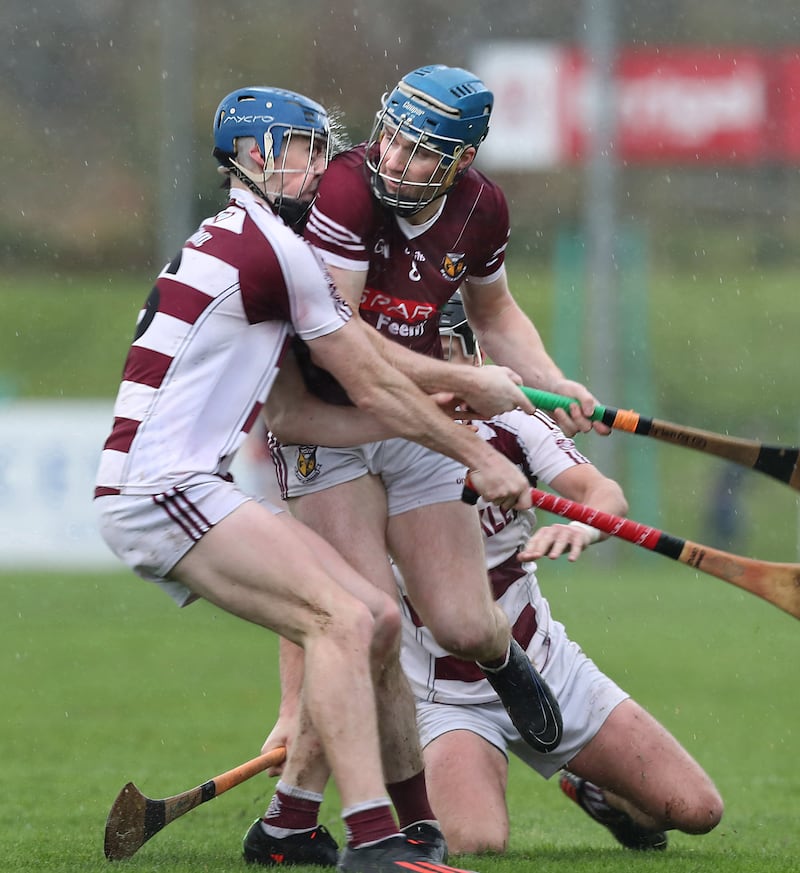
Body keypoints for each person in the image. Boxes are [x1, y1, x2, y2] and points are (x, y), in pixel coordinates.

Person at [93, 85, 540, 873]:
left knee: (375, 615)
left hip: (173, 486)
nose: (326, 162)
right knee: (344, 619)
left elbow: (299, 415)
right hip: (163, 488)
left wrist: (423, 411)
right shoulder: (277, 249)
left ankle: (295, 828)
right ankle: (374, 842)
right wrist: (476, 432)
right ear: (263, 157)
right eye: (308, 148)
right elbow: (368, 374)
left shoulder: (243, 237)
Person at [259, 64, 607, 863]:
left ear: (461, 162)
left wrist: (550, 380)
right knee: (373, 621)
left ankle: (499, 656)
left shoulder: (482, 207)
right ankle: (402, 825)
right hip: (331, 422)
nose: (394, 160)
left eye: (423, 153)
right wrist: (468, 380)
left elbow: (494, 311)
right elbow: (340, 345)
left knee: (460, 620)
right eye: (392, 137)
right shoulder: (345, 192)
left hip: (415, 420)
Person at [244, 293, 723, 863]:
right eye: (429, 362)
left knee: (696, 810)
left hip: (545, 667)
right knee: (474, 842)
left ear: (473, 357)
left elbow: (602, 493)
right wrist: (292, 709)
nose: (451, 385)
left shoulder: (513, 422)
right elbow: (316, 592)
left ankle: (597, 791)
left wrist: (588, 527)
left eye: (454, 355)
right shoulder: (358, 453)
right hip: (442, 698)